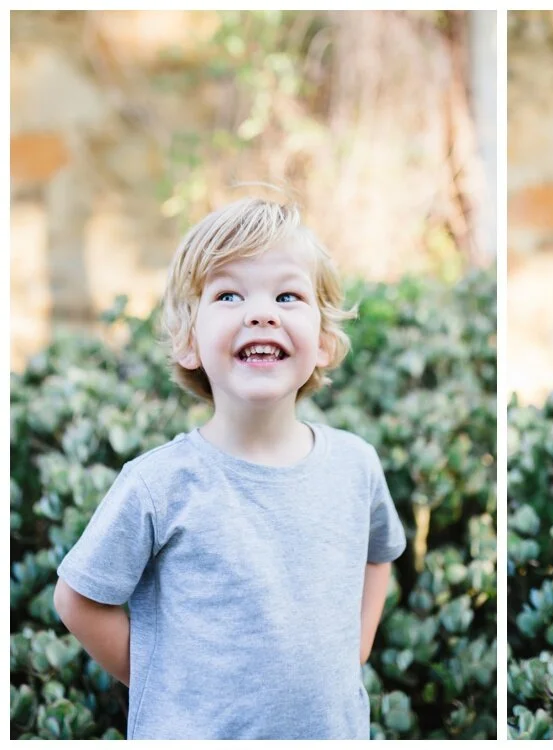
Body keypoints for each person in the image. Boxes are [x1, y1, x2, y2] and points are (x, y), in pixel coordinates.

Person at [53, 198, 406, 739]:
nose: (262, 313)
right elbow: (78, 599)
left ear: (324, 341)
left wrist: (357, 646)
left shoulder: (355, 465)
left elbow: (379, 552)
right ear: (188, 342)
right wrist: (163, 685)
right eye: (228, 295)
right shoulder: (160, 484)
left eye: (287, 296)